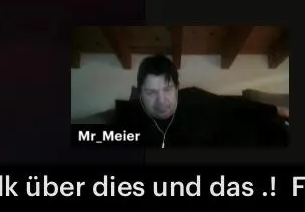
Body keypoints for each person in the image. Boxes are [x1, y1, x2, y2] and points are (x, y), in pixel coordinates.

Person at [113, 55, 289, 148]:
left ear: (177, 88)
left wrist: (275, 110)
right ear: (140, 94)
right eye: (151, 93)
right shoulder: (129, 116)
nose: (161, 101)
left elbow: (234, 105)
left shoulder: (193, 98)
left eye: (167, 90)